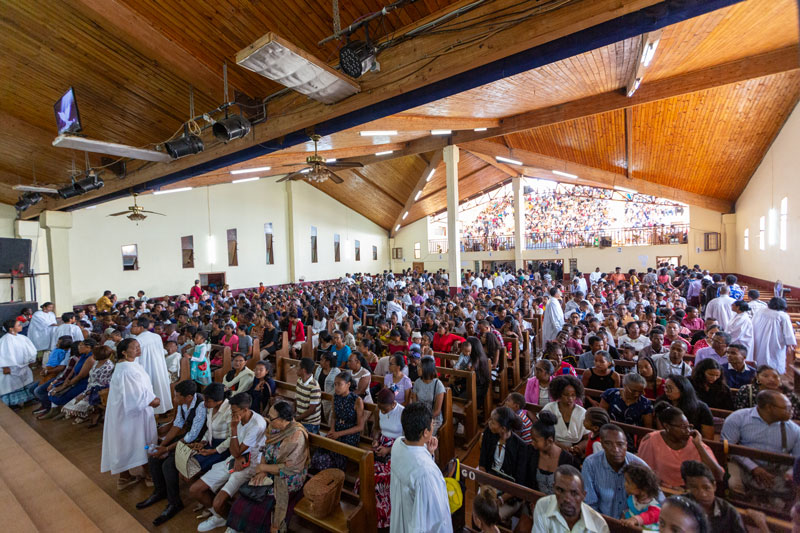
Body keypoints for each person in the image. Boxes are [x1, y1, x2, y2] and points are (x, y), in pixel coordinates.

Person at [225, 401, 310, 533]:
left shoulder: (296, 436)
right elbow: (265, 449)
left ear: (283, 419)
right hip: (268, 469)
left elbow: (291, 468)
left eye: (271, 418)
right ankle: (237, 526)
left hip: (288, 477)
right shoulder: (274, 427)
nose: (268, 420)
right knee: (247, 496)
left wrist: (263, 468)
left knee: (262, 503)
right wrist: (262, 470)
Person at [192, 392, 267, 532]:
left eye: (234, 411)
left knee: (218, 502)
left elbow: (237, 450)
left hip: (250, 465)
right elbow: (235, 451)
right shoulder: (238, 418)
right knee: (195, 490)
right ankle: (219, 517)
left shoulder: (257, 424)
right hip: (234, 460)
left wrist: (233, 429)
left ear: (245, 410)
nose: (232, 414)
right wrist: (235, 453)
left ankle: (233, 525)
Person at [137, 380, 207, 525]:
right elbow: (178, 424)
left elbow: (193, 435)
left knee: (169, 464)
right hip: (186, 438)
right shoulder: (182, 404)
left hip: (199, 442)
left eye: (177, 396)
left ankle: (174, 503)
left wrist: (167, 449)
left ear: (188, 397)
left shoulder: (201, 405)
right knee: (154, 458)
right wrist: (161, 445)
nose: (174, 399)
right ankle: (160, 491)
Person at [721, 390, 800, 504]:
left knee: (783, 495)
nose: (791, 412)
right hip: (742, 463)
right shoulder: (739, 418)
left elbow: (798, 459)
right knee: (732, 483)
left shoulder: (794, 430)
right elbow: (728, 446)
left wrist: (790, 474)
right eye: (787, 408)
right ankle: (740, 511)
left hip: (776, 469)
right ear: (769, 407)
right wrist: (754, 468)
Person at [101, 339, 160, 490]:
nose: (138, 349)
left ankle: (125, 477)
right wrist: (152, 400)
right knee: (140, 442)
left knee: (128, 442)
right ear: (124, 352)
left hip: (130, 412)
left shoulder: (129, 365)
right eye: (135, 348)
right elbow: (134, 395)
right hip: (132, 414)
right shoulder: (126, 369)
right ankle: (148, 475)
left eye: (139, 346)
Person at [389, 401, 453, 533]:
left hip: (401, 519)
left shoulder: (396, 445)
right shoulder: (427, 472)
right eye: (432, 425)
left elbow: (413, 463)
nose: (433, 427)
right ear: (425, 432)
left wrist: (429, 453)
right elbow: (438, 519)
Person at [637, 403, 722, 488]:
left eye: (689, 426)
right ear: (667, 426)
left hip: (692, 492)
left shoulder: (695, 442)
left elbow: (718, 475)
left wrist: (699, 446)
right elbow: (644, 474)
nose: (688, 431)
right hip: (662, 491)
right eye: (683, 427)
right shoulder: (651, 440)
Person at [582, 424, 654, 519]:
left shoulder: (640, 465)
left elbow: (658, 499)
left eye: (620, 444)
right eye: (608, 443)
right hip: (601, 523)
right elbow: (590, 504)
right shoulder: (591, 464)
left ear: (626, 445)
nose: (615, 449)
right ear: (602, 444)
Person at [681, 460, 769, 533]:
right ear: (687, 487)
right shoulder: (679, 505)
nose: (702, 494)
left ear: (714, 486)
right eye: (694, 488)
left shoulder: (729, 512)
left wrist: (762, 525)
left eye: (706, 488)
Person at [479, 406, 528, 520]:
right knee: (478, 511)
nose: (489, 423)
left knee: (492, 517)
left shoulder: (521, 447)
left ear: (503, 428)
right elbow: (482, 464)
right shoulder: (488, 433)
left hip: (510, 493)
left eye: (493, 422)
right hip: (489, 483)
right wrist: (486, 489)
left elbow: (519, 482)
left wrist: (501, 499)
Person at [364, 388, 404, 528]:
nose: (383, 411)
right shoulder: (378, 410)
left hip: (398, 447)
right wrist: (375, 440)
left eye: (385, 409)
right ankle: (371, 510)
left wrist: (388, 449)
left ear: (393, 404)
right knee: (367, 471)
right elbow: (376, 429)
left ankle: (386, 515)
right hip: (382, 445)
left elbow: (407, 439)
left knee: (381, 478)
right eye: (380, 408)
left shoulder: (402, 412)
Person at [310, 372, 365, 471]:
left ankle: (334, 474)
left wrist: (339, 434)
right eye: (335, 384)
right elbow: (334, 417)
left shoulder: (357, 400)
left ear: (348, 384)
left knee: (327, 460)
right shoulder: (335, 397)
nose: (336, 387)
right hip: (336, 430)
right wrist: (332, 430)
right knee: (317, 454)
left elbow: (360, 427)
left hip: (349, 435)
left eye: (339, 384)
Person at [531, 464, 610, 533]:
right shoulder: (543, 505)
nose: (567, 499)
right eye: (560, 490)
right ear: (554, 488)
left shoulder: (598, 525)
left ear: (583, 495)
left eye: (574, 493)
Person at [526, 410, 578, 495]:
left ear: (549, 441)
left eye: (535, 440)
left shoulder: (567, 459)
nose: (532, 443)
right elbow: (527, 482)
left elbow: (569, 489)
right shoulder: (531, 452)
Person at [61, 344, 114, 425]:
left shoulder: (108, 367)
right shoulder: (96, 362)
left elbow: (101, 384)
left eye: (94, 354)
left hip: (97, 391)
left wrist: (85, 393)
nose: (92, 355)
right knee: (71, 405)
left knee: (77, 405)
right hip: (90, 388)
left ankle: (88, 415)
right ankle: (85, 414)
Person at [131, 317, 173, 415]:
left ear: (141, 327)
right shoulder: (156, 336)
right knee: (158, 390)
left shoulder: (136, 341)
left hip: (145, 369)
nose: (131, 328)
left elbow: (135, 360)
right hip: (158, 368)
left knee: (149, 394)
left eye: (133, 326)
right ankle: (159, 411)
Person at [656, 375, 715, 440]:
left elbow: (708, 437)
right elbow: (661, 431)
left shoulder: (701, 408)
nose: (666, 391)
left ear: (683, 389)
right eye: (665, 387)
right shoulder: (662, 404)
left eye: (670, 388)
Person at [541, 375, 590, 452]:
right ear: (559, 394)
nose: (570, 398)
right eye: (566, 395)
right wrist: (557, 445)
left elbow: (587, 438)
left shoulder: (582, 413)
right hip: (551, 447)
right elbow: (541, 432)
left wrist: (578, 448)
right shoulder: (549, 408)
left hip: (574, 450)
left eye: (573, 395)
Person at [733, 364, 800, 418]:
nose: (771, 380)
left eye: (775, 377)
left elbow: (796, 417)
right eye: (765, 376)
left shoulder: (790, 395)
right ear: (757, 378)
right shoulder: (747, 390)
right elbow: (739, 413)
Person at [751, 297, 796, 374]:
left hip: (759, 338)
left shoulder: (760, 311)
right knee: (774, 359)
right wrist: (790, 343)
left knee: (759, 357)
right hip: (774, 340)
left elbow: (753, 323)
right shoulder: (782, 315)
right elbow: (788, 332)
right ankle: (774, 376)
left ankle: (759, 374)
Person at [0, 318, 38, 408]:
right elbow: (3, 355)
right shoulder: (5, 340)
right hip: (11, 368)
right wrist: (5, 367)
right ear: (11, 328)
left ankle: (28, 399)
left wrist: (31, 360)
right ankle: (13, 403)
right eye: (19, 325)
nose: (21, 326)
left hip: (23, 366)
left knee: (26, 381)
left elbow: (30, 350)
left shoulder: (22, 337)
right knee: (11, 385)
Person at [410, 356, 446, 435]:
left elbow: (437, 411)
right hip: (420, 416)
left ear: (427, 368)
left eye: (420, 367)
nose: (417, 368)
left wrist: (424, 419)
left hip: (433, 419)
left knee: (423, 434)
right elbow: (415, 404)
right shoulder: (417, 382)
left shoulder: (438, 384)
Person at [620, 463, 661, 529]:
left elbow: (650, 515)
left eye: (628, 482)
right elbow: (629, 511)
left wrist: (635, 519)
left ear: (641, 489)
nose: (625, 484)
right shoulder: (632, 498)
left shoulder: (654, 507)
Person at [294, 357, 322, 433]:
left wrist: (296, 418)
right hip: (300, 419)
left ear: (303, 370)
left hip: (310, 423)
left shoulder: (314, 386)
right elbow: (296, 399)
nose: (295, 368)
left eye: (297, 367)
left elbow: (311, 410)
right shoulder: (299, 381)